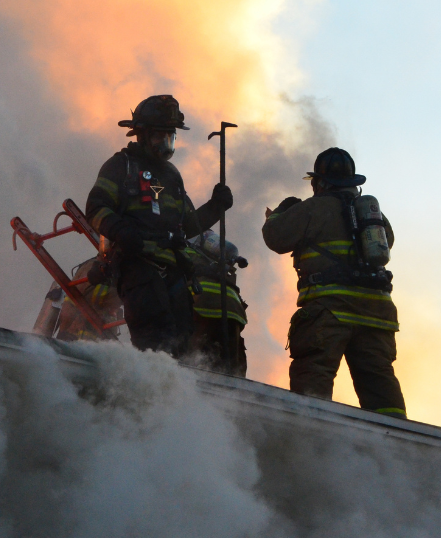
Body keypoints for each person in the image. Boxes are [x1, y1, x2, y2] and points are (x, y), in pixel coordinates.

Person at [261, 147, 406, 418]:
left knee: (313, 377)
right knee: (380, 384)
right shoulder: (372, 215)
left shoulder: (312, 209)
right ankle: (397, 438)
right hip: (377, 313)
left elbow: (276, 237)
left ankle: (312, 433)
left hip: (329, 311)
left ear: (319, 182)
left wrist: (281, 211)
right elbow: (388, 242)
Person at [84, 94, 233, 357]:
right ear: (141, 135)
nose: (165, 143)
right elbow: (95, 208)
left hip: (175, 272)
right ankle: (152, 383)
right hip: (138, 266)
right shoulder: (120, 166)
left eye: (170, 136)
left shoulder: (172, 176)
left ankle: (174, 384)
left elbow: (188, 226)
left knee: (183, 340)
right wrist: (122, 231)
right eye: (159, 136)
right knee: (155, 339)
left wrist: (215, 207)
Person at [184, 230, 248, 376]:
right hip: (233, 311)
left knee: (193, 358)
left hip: (201, 305)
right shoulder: (218, 261)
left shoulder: (186, 252)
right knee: (230, 365)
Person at [31, 258, 124, 341]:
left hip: (96, 332)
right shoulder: (91, 272)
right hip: (82, 331)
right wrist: (63, 333)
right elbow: (69, 306)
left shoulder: (121, 276)